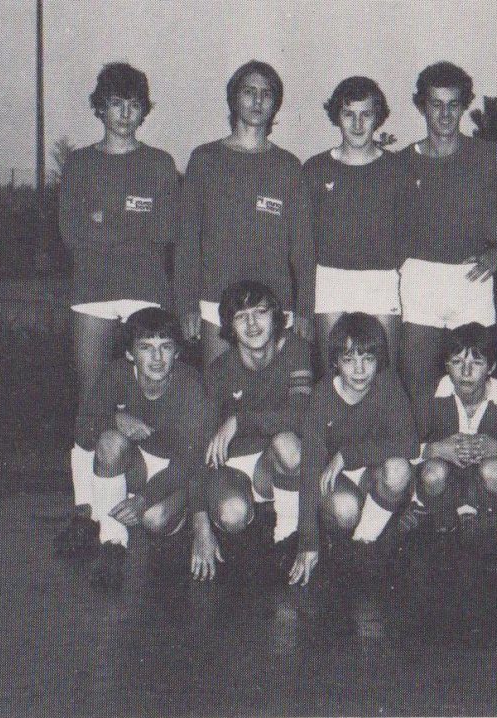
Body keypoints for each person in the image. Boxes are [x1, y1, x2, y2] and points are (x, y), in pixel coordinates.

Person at [56, 62, 180, 556]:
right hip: (92, 291)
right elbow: (72, 232)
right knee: (92, 400)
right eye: (116, 103)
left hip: (146, 290)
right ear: (100, 108)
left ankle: (137, 499)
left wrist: (104, 220)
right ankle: (85, 508)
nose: (125, 113)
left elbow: (164, 230)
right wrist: (130, 221)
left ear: (144, 111)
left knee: (148, 397)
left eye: (134, 104)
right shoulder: (80, 164)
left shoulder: (159, 163)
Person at [175, 60, 315, 367]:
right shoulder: (205, 159)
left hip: (273, 302)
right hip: (216, 298)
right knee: (220, 389)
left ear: (275, 104)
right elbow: (187, 241)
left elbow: (303, 247)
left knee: (271, 393)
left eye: (266, 93)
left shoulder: (289, 166)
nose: (257, 100)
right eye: (249, 91)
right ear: (234, 98)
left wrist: (305, 308)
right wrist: (186, 304)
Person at [395, 61, 497, 399]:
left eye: (453, 105)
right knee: (417, 384)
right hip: (420, 278)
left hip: (471, 277)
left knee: (475, 385)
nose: (445, 114)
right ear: (422, 106)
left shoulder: (491, 157)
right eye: (436, 104)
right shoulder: (401, 162)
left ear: (464, 106)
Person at [190, 281, 313, 582]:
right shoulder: (218, 371)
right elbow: (196, 448)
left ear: (276, 316)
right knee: (232, 515)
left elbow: (300, 416)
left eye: (260, 312)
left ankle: (288, 534)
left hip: (271, 464)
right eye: (241, 316)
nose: (252, 324)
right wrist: (201, 529)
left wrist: (239, 422)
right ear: (230, 327)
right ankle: (250, 508)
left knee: (289, 444)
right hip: (232, 466)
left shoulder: (296, 350)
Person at [70, 307, 204, 587]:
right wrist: (115, 419)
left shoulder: (191, 385)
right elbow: (83, 430)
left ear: (177, 352)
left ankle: (171, 511)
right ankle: (112, 542)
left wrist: (145, 498)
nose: (157, 358)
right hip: (137, 464)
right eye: (146, 347)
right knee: (110, 441)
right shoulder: (116, 373)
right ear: (130, 354)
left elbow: (190, 461)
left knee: (155, 520)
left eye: (166, 347)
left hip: (175, 472)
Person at [289, 313, 418, 586]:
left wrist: (347, 456)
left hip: (372, 471)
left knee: (399, 470)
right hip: (337, 478)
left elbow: (410, 444)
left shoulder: (389, 384)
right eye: (349, 360)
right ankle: (340, 531)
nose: (359, 370)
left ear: (379, 360)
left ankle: (365, 540)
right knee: (345, 511)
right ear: (335, 362)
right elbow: (310, 466)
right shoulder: (322, 395)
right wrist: (307, 542)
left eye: (367, 359)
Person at [303, 77, 403, 369]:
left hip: (381, 278)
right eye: (349, 114)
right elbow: (304, 238)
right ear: (337, 116)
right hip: (330, 278)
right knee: (333, 369)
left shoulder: (397, 168)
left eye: (366, 114)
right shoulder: (315, 169)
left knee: (382, 370)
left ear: (378, 117)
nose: (358, 124)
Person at [410, 323, 497, 554]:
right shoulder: (430, 395)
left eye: (477, 363)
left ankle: (491, 519)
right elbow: (400, 445)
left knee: (494, 469)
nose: (466, 372)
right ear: (446, 364)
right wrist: (434, 449)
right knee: (433, 471)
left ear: (491, 367)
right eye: (457, 362)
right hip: (445, 487)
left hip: (485, 489)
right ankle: (441, 520)